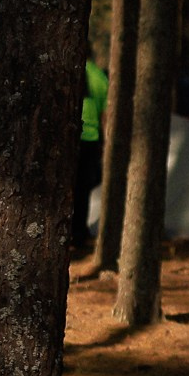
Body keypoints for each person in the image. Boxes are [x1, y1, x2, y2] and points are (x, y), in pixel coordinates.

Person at [76, 51, 107, 254]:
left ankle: (70, 232)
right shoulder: (99, 75)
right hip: (91, 137)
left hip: (67, 139)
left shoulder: (65, 66)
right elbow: (105, 111)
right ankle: (78, 233)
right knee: (83, 188)